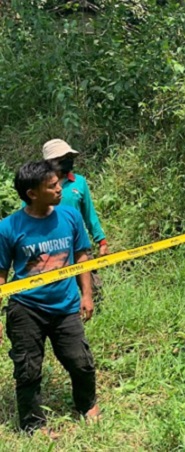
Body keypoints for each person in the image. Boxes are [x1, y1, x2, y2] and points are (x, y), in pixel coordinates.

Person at [0, 160, 101, 437]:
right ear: (32, 193)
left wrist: (87, 295)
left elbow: (82, 256)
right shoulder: (8, 227)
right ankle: (33, 425)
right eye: (53, 186)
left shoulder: (70, 216)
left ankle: (87, 405)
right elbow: (1, 274)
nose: (60, 189)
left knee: (80, 361)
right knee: (28, 369)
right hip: (25, 309)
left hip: (66, 305)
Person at [37, 139, 108, 302]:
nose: (68, 161)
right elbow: (27, 215)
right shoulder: (38, 186)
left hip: (78, 245)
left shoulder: (79, 182)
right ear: (50, 162)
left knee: (91, 288)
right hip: (49, 246)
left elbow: (90, 214)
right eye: (63, 158)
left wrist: (101, 241)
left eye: (70, 157)